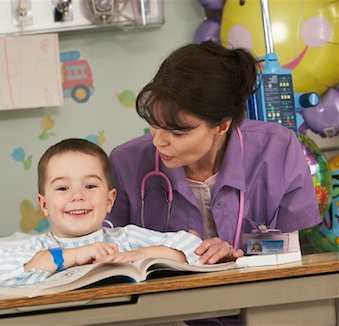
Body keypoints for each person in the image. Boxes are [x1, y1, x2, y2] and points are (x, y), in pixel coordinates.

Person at [107, 40, 321, 266]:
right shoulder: (125, 163)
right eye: (154, 124)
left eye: (177, 133)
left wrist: (235, 253)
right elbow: (104, 246)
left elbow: (289, 249)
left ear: (221, 126)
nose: (159, 141)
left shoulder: (278, 149)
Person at [0, 138, 203, 287]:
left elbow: (193, 247)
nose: (77, 196)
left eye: (90, 186)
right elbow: (8, 275)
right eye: (62, 188)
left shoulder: (126, 238)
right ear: (44, 204)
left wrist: (138, 255)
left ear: (110, 200)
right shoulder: (38, 249)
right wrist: (75, 255)